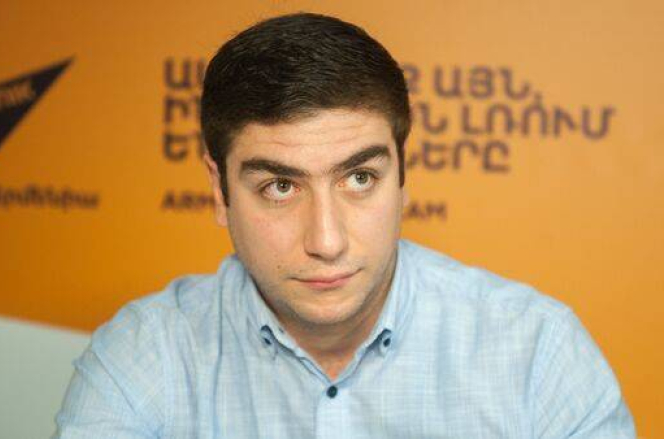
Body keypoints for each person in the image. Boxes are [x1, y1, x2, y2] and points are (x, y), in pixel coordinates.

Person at [53, 13, 635, 438]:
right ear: (218, 189)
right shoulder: (145, 357)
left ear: (403, 175)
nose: (326, 241)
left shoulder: (537, 354)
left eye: (359, 178)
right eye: (280, 187)